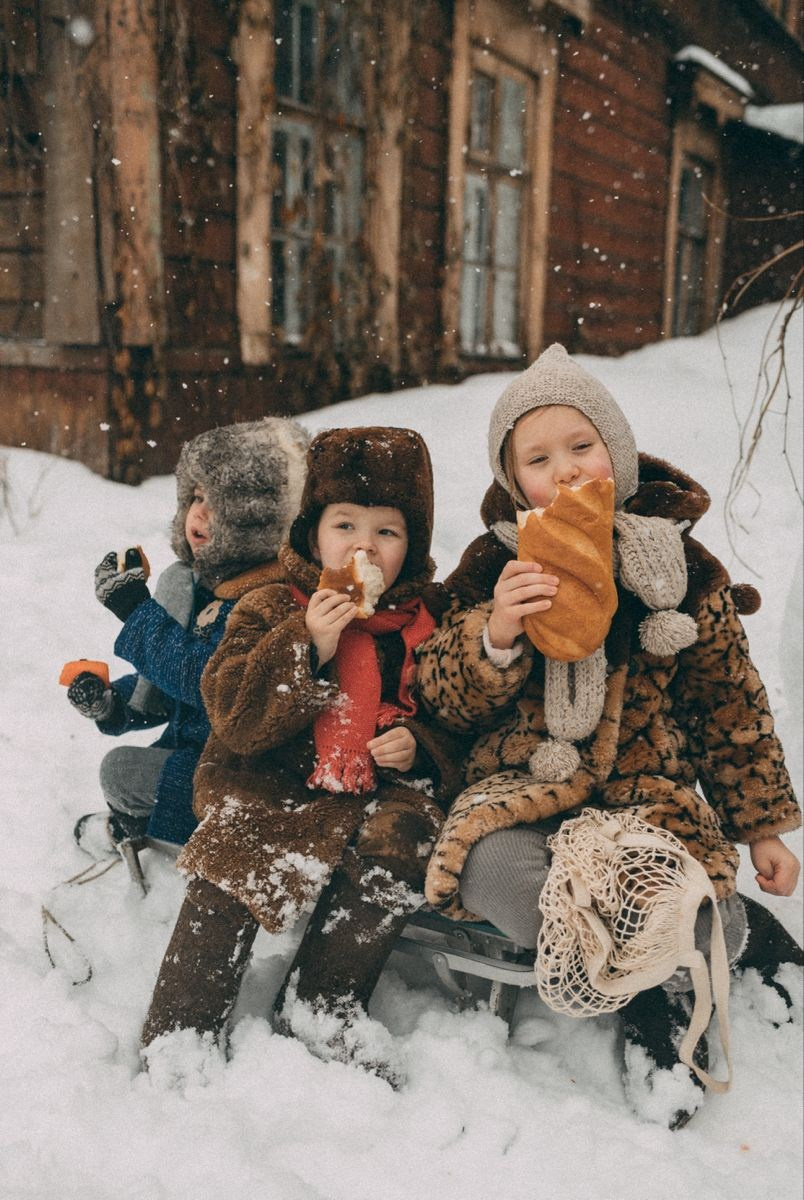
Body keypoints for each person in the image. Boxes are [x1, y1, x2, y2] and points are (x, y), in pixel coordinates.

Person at [415, 343, 802, 1127]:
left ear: (615, 455)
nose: (563, 471)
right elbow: (441, 700)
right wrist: (494, 637)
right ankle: (664, 951)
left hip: (644, 805)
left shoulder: (683, 571)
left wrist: (762, 828)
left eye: (581, 447)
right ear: (512, 477)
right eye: (538, 458)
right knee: (513, 892)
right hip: (524, 792)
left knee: (680, 901)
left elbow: (730, 709)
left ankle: (665, 999)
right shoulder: (493, 564)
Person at [140, 426, 464, 1084]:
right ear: (312, 535)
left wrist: (421, 745)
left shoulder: (430, 623)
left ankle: (323, 1003)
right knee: (231, 859)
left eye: (388, 532)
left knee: (406, 840)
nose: (364, 546)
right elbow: (231, 711)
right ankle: (183, 1024)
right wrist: (306, 643)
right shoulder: (269, 606)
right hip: (270, 779)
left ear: (415, 546)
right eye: (345, 525)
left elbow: (460, 717)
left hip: (380, 791)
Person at [67, 416, 310, 856]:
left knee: (120, 773)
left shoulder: (270, 600)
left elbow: (204, 681)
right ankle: (150, 824)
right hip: (191, 757)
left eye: (220, 504)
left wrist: (135, 612)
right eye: (196, 497)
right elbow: (163, 691)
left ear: (260, 522)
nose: (199, 513)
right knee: (125, 769)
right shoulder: (200, 587)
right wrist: (112, 703)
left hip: (238, 773)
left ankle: (163, 836)